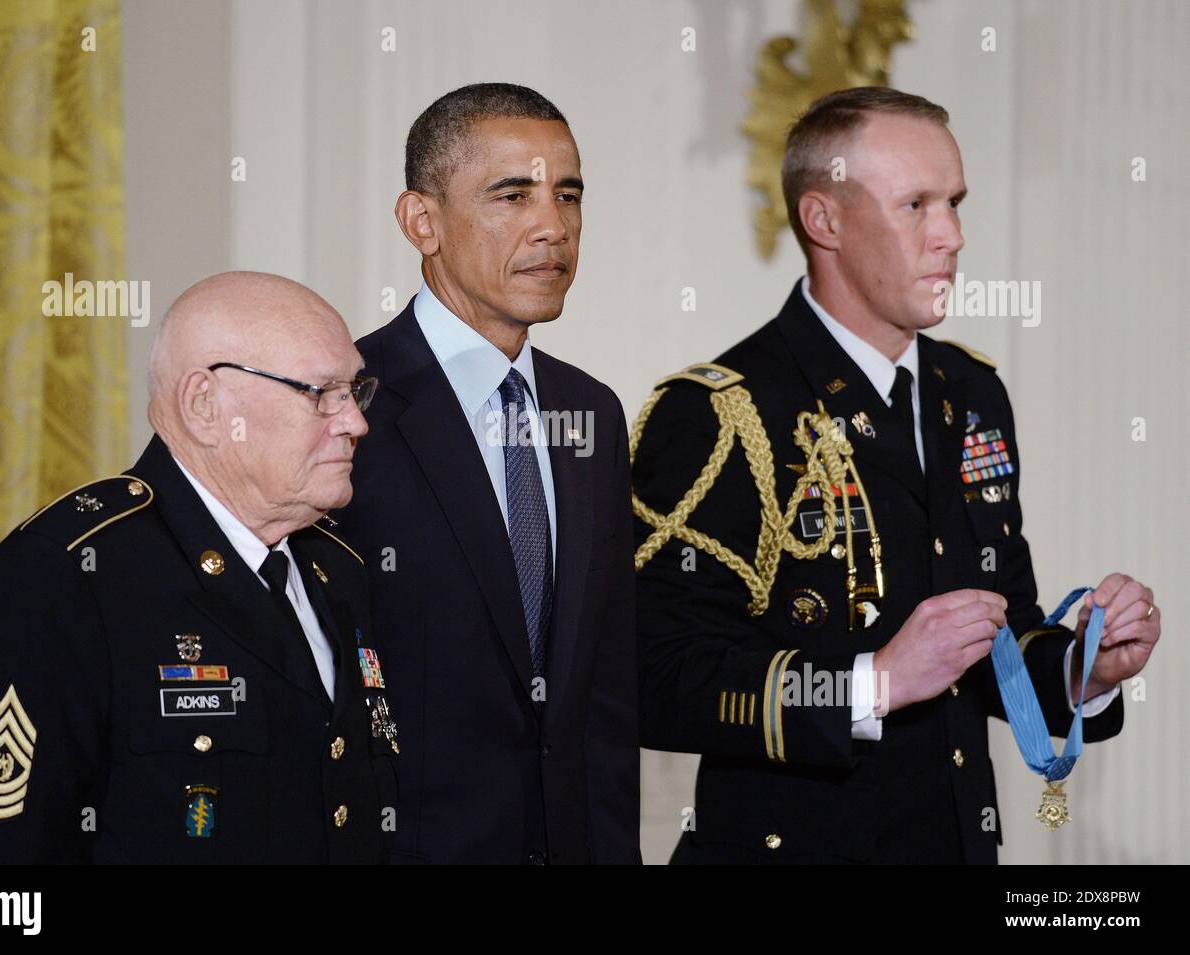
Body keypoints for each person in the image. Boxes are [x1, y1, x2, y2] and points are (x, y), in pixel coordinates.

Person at [631, 87, 1161, 864]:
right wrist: (869, 683)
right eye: (916, 204)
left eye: (955, 202)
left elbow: (997, 634)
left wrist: (1084, 670)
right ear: (825, 221)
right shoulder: (719, 411)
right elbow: (656, 679)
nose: (950, 234)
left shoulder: (971, 393)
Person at [0, 271, 399, 863]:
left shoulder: (339, 568)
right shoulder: (68, 574)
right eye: (319, 393)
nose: (354, 421)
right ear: (205, 405)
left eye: (354, 391)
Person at [339, 83, 640, 864]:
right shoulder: (346, 399)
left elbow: (604, 696)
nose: (553, 226)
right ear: (422, 221)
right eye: (513, 195)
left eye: (568, 195)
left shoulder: (593, 411)